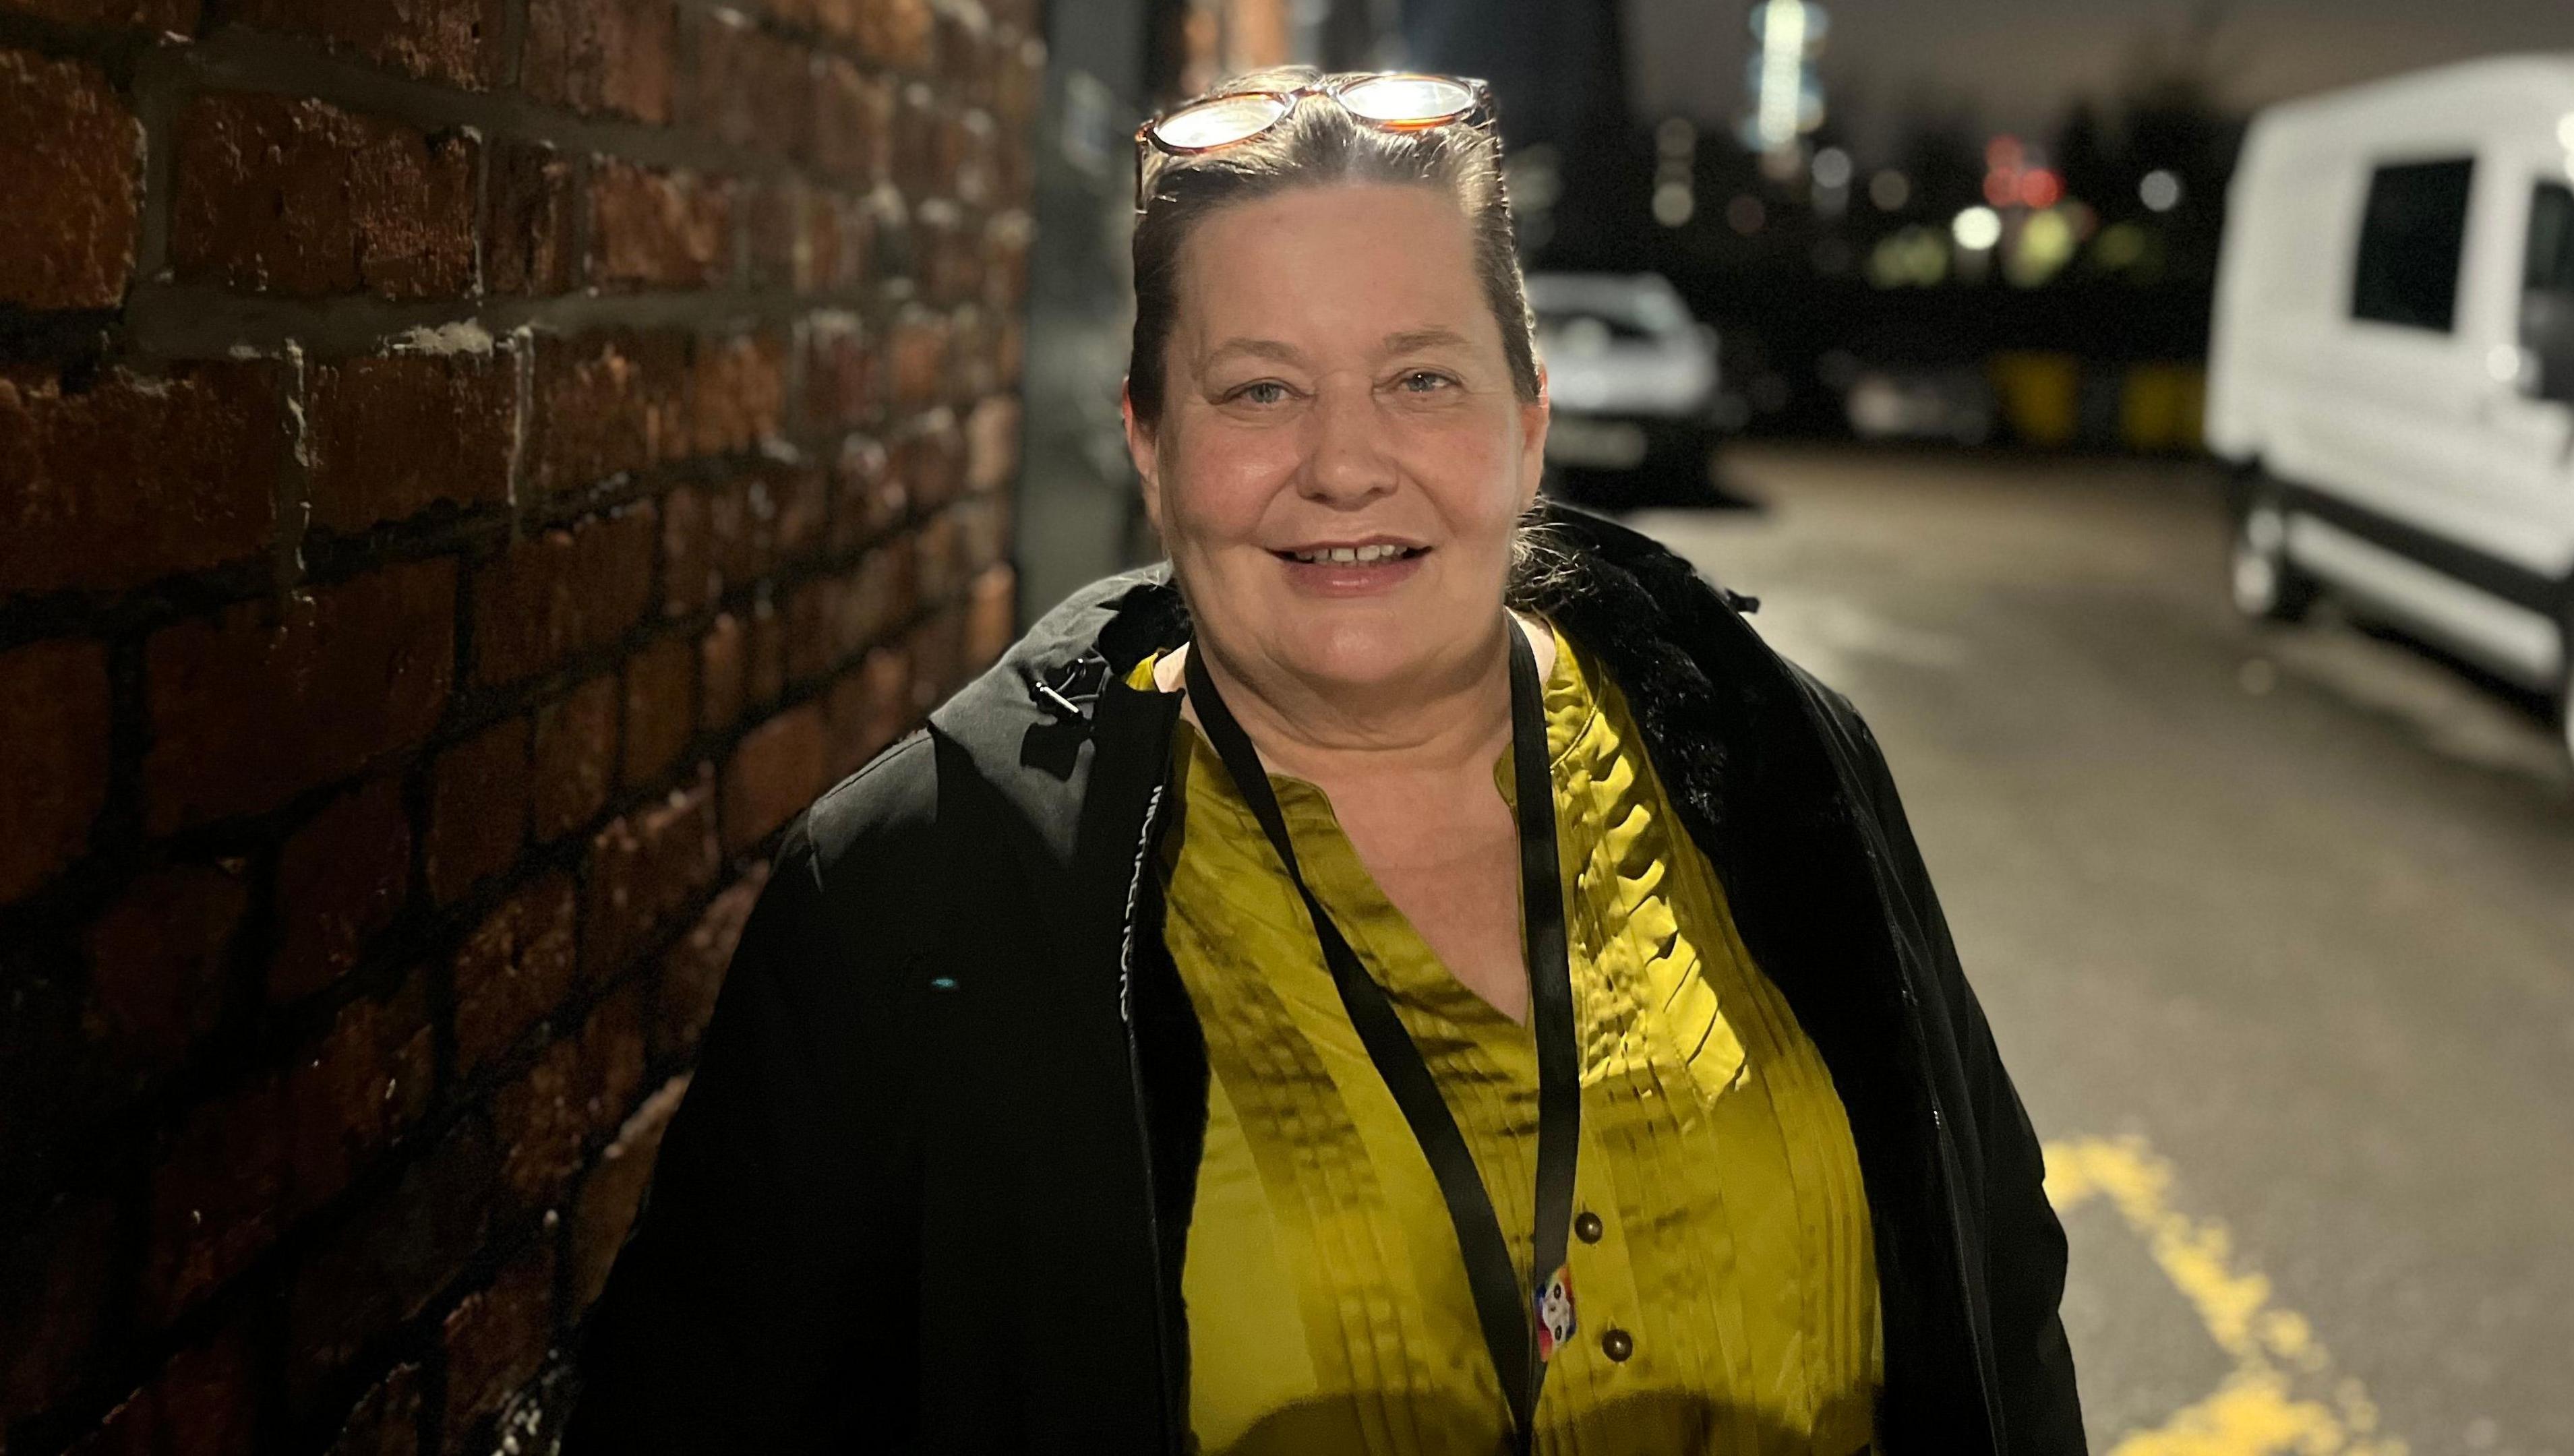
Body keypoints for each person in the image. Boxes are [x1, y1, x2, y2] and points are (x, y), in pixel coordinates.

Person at [565, 67, 2085, 1456]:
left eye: (1422, 378)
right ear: (1149, 443)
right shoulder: (922, 892)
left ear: (1529, 424)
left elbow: (1999, 1302)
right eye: (1259, 390)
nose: (1346, 463)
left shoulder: (1778, 766)